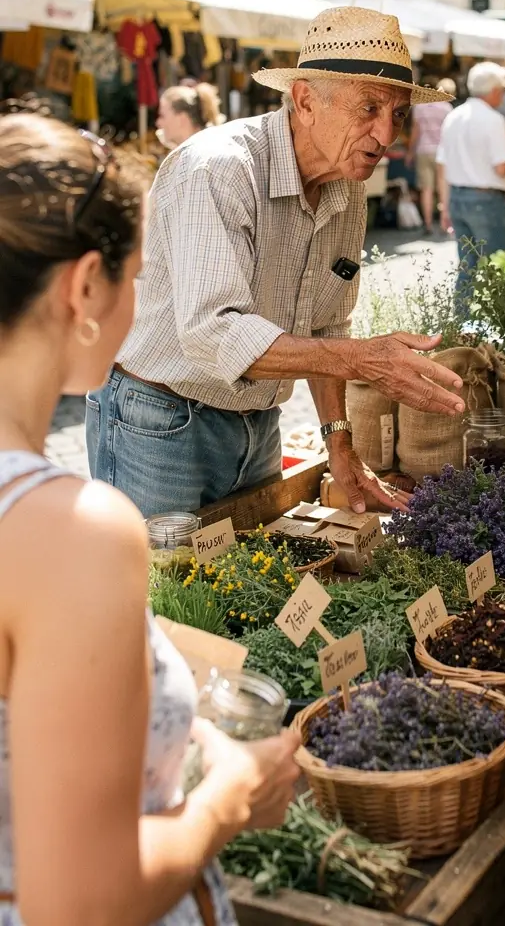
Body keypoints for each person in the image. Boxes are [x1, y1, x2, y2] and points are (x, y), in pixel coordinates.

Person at [0, 113, 301, 925]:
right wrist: (231, 798)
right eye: (139, 277)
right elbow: (82, 905)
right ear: (84, 287)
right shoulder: (74, 530)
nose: (142, 304)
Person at [87, 8, 464, 519]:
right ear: (305, 101)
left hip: (259, 420)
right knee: (158, 571)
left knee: (247, 567)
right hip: (161, 418)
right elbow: (214, 332)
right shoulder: (219, 169)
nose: (385, 134)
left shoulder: (347, 186)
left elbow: (328, 322)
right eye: (369, 107)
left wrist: (338, 440)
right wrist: (361, 359)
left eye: (398, 114)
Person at [436, 61, 505, 298]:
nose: (504, 93)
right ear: (494, 90)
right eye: (503, 88)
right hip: (487, 200)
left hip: (458, 197)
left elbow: (442, 166)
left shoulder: (453, 116)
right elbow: (502, 167)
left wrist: (445, 205)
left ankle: (463, 319)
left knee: (467, 269)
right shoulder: (493, 119)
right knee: (502, 267)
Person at [405, 77, 454, 234]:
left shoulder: (419, 108)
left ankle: (427, 224)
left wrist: (410, 152)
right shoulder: (447, 108)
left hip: (423, 150)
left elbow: (415, 131)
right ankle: (444, 223)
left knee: (426, 189)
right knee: (443, 188)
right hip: (442, 152)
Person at [156, 82, 225, 151]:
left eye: (162, 116)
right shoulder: (204, 146)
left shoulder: (204, 151)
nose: (158, 122)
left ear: (181, 118)